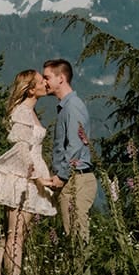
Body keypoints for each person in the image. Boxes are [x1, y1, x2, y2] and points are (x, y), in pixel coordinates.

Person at [0, 69, 56, 275]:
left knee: (13, 234)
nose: (45, 81)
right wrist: (38, 178)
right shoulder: (22, 112)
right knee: (16, 235)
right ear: (31, 89)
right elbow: (22, 151)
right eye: (40, 80)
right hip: (22, 177)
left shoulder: (30, 112)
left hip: (29, 176)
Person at [42, 58, 95, 241]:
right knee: (72, 234)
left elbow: (75, 145)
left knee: (77, 237)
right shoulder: (67, 107)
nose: (44, 82)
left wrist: (62, 176)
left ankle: (83, 270)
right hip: (73, 179)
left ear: (61, 78)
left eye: (47, 77)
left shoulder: (72, 107)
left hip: (75, 180)